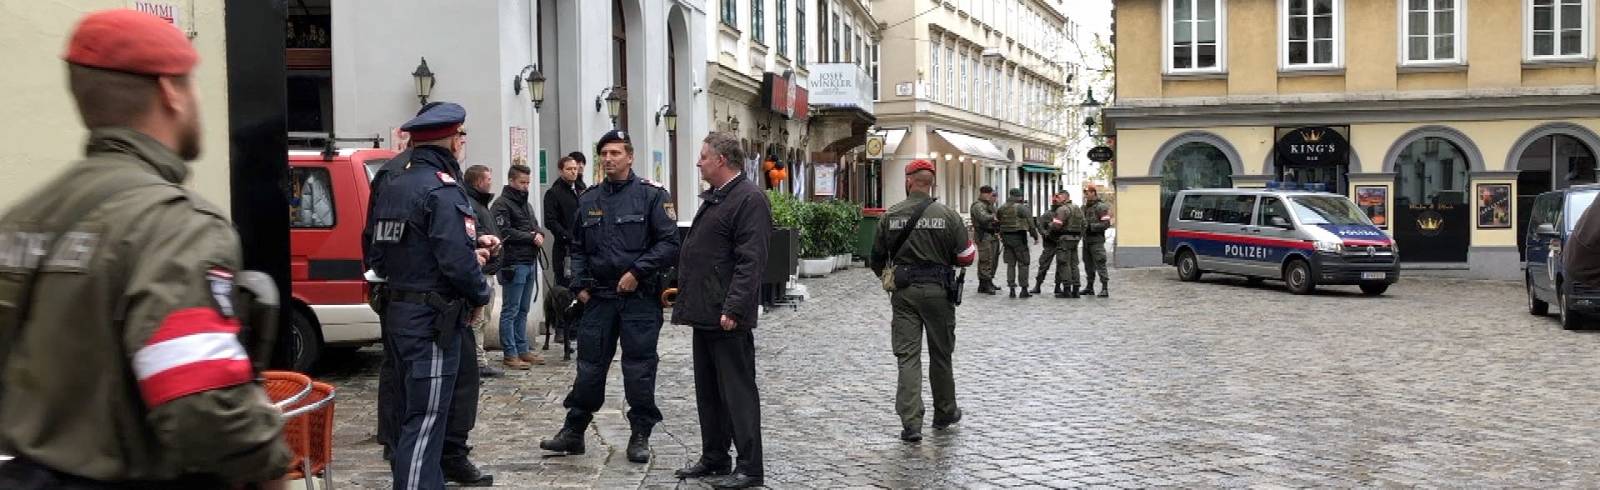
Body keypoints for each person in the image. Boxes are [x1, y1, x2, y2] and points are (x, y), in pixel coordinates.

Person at [0, 9, 292, 488]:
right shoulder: (177, 227)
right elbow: (200, 401)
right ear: (170, 92)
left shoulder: (21, 220)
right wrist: (268, 469)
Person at [365, 102, 498, 489]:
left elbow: (379, 251)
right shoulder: (440, 188)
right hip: (432, 321)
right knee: (426, 419)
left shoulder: (391, 182)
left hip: (399, 311)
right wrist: (479, 292)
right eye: (461, 136)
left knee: (408, 413)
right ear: (452, 140)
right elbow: (455, 261)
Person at [540, 130, 680, 464]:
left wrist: (637, 272)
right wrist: (580, 286)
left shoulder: (652, 196)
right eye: (604, 153)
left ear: (630, 157)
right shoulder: (589, 199)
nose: (608, 158)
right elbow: (577, 248)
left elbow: (669, 244)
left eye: (616, 152)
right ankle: (574, 431)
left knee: (639, 368)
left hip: (639, 299)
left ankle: (640, 433)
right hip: (599, 298)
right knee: (589, 367)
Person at [671, 132, 771, 489]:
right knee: (709, 392)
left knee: (738, 392)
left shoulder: (749, 199)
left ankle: (749, 467)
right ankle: (715, 457)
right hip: (706, 312)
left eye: (702, 156)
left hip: (727, 316)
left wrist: (734, 307)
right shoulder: (718, 198)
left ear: (721, 160)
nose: (698, 162)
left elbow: (751, 260)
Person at [870, 159, 977, 443]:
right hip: (939, 292)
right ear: (932, 183)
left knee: (908, 357)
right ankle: (944, 412)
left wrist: (890, 278)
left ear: (908, 181)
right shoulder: (948, 215)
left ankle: (911, 423)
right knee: (941, 355)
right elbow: (967, 257)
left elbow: (876, 258)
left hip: (904, 293)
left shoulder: (890, 215)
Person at [492, 164, 547, 369]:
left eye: (527, 183)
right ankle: (510, 352)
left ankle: (522, 349)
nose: (525, 186)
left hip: (529, 261)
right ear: (512, 181)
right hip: (513, 263)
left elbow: (533, 224)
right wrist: (531, 237)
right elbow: (504, 232)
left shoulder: (525, 204)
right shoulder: (501, 204)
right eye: (522, 182)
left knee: (523, 309)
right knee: (511, 309)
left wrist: (539, 233)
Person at [463, 165, 505, 379]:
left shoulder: (481, 203)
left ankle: (478, 361)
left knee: (484, 318)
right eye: (488, 178)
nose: (491, 181)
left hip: (488, 268)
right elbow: (474, 233)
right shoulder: (471, 204)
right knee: (478, 319)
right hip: (481, 269)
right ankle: (477, 362)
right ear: (478, 182)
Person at [544, 155, 584, 287]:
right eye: (569, 169)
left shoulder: (581, 190)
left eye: (575, 169)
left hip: (582, 246)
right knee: (565, 287)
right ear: (561, 171)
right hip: (564, 249)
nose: (573, 172)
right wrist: (567, 236)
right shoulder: (554, 193)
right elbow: (550, 221)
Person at [996, 188, 1040, 298]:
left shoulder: (1002, 208)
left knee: (1011, 264)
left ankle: (1011, 289)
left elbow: (998, 222)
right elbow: (1031, 224)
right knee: (1023, 263)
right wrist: (1035, 237)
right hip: (1019, 238)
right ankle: (1023, 289)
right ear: (1019, 196)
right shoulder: (1021, 208)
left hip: (1006, 238)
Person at [1031, 192, 1069, 295]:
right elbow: (1039, 224)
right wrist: (1044, 233)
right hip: (1049, 244)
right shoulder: (1048, 214)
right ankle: (1038, 285)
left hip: (1061, 242)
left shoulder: (1065, 212)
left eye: (1057, 198)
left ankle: (1058, 286)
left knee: (1061, 265)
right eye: (1054, 199)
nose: (1055, 200)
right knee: (1043, 264)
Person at [1050, 193, 1087, 298]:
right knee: (1074, 264)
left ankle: (1067, 289)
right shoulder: (1077, 209)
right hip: (1074, 240)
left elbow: (1057, 225)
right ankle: (1076, 289)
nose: (1057, 199)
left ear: (1065, 198)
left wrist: (1050, 227)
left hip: (1064, 239)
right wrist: (1079, 236)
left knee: (1064, 263)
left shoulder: (1062, 209)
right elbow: (1084, 224)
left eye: (1059, 197)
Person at [1081, 185, 1113, 298]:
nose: (1086, 195)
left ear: (1093, 193)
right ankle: (1089, 287)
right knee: (1088, 265)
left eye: (1087, 192)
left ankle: (1105, 288)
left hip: (1097, 241)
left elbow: (1106, 224)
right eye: (1085, 193)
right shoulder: (1084, 208)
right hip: (1086, 241)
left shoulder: (1101, 207)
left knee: (1100, 263)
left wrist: (1092, 227)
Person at [969, 186, 1001, 295]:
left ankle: (988, 281)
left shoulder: (989, 205)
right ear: (985, 194)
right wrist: (993, 216)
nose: (992, 197)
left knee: (993, 260)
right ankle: (984, 283)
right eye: (991, 194)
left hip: (992, 235)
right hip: (983, 235)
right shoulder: (977, 206)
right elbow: (982, 218)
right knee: (985, 260)